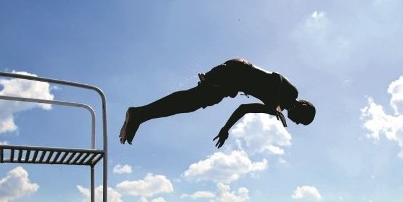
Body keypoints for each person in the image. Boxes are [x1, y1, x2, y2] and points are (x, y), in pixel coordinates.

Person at [119, 58, 315, 147]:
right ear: (303, 107)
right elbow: (278, 78)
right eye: (302, 120)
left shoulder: (276, 109)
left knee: (191, 103)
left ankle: (140, 115)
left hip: (232, 83)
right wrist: (277, 104)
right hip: (237, 71)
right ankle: (138, 114)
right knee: (191, 101)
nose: (297, 123)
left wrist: (225, 128)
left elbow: (244, 108)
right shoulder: (291, 93)